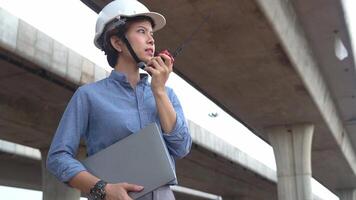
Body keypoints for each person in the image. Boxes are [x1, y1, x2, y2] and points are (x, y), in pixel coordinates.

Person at [46, 0, 192, 199]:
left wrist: (159, 91)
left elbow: (181, 148)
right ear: (117, 42)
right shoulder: (88, 96)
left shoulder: (167, 95)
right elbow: (58, 157)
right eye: (142, 31)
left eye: (152, 33)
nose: (151, 39)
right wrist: (103, 189)